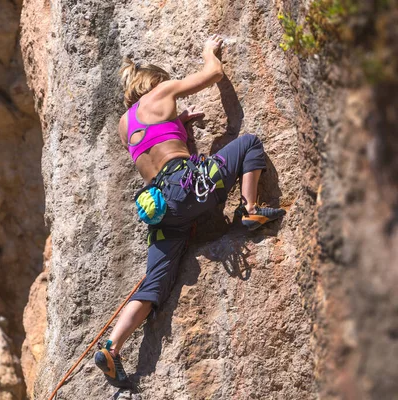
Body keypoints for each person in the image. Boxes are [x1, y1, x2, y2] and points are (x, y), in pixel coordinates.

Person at [93, 34, 286, 389]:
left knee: (154, 284)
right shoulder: (163, 92)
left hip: (163, 209)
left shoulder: (124, 125)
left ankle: (112, 346)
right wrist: (208, 52)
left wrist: (180, 126)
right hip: (188, 187)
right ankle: (251, 209)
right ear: (155, 81)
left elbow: (157, 147)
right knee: (249, 144)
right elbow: (213, 74)